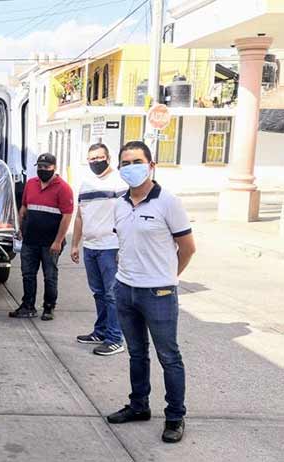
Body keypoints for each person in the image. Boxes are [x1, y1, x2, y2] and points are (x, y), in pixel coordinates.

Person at [106, 141, 195, 444]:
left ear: (151, 166)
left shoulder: (168, 202)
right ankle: (138, 405)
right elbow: (125, 244)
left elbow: (187, 248)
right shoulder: (119, 204)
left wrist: (167, 278)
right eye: (125, 163)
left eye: (137, 161)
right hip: (125, 289)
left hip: (158, 293)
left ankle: (175, 416)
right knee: (136, 353)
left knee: (168, 356)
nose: (131, 167)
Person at [70, 143, 128, 356]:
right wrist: (75, 244)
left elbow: (127, 215)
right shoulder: (86, 183)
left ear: (108, 158)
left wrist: (124, 247)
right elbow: (80, 216)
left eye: (99, 157)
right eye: (91, 159)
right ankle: (101, 331)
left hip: (110, 247)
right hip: (90, 247)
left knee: (112, 295)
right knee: (98, 293)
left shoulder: (119, 181)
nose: (95, 162)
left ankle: (115, 338)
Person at [10, 153, 74, 321]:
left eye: (46, 167)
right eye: (40, 166)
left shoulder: (63, 188)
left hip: (50, 243)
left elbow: (67, 217)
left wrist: (58, 241)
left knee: (50, 276)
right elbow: (24, 207)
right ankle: (28, 306)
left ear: (54, 168)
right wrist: (20, 227)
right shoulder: (31, 184)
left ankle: (49, 307)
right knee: (27, 274)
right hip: (30, 240)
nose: (42, 169)